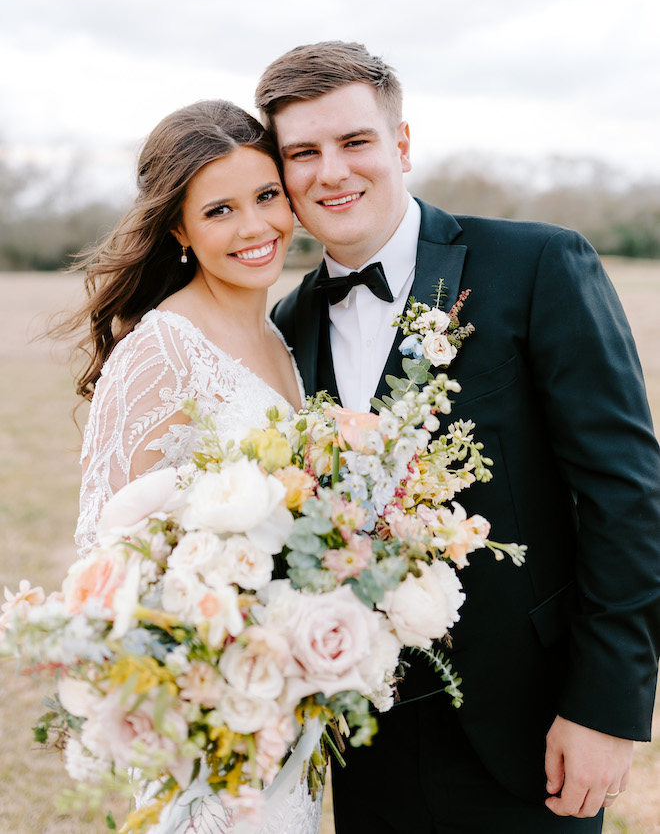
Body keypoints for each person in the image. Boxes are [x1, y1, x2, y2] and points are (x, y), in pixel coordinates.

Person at [255, 41, 660, 832]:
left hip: (535, 733)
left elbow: (627, 495)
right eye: (302, 153)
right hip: (361, 740)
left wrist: (607, 710)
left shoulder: (537, 264)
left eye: (355, 141)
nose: (331, 172)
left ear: (401, 144)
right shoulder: (285, 326)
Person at [59, 99, 322, 833]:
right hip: (204, 714)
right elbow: (104, 559)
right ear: (178, 227)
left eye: (267, 195)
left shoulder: (284, 334)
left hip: (284, 703)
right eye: (220, 211)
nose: (255, 226)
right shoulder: (160, 350)